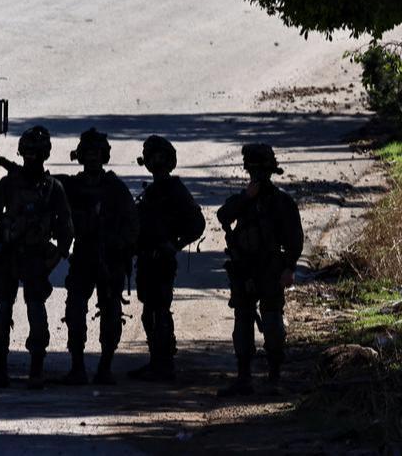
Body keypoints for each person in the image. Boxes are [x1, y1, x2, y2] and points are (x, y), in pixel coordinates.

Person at [0, 125, 74, 390]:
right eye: (28, 153)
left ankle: (34, 370)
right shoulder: (13, 184)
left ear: (44, 154)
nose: (31, 158)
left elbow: (66, 231)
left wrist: (52, 260)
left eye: (36, 153)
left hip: (33, 258)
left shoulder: (52, 188)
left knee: (34, 312)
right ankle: (3, 370)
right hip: (10, 256)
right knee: (4, 311)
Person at [217, 143, 304, 396]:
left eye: (261, 171)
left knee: (273, 322)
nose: (257, 176)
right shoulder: (243, 200)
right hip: (244, 270)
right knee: (243, 322)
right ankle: (244, 377)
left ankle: (274, 377)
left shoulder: (281, 202)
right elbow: (223, 215)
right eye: (253, 170)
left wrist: (289, 268)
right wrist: (246, 198)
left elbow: (294, 240)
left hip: (270, 270)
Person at [60, 128, 138, 386]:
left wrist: (118, 245)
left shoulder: (115, 188)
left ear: (104, 156)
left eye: (97, 154)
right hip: (83, 257)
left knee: (111, 313)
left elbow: (132, 225)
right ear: (80, 156)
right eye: (88, 154)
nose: (92, 159)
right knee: (74, 310)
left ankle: (105, 366)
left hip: (109, 260)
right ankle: (77, 367)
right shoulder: (72, 186)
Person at [129, 135, 205, 381]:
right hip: (148, 259)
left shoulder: (175, 190)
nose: (157, 163)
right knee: (151, 310)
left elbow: (197, 223)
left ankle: (163, 364)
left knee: (158, 310)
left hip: (161, 259)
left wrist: (174, 245)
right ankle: (158, 361)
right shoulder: (152, 192)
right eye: (153, 158)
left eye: (160, 158)